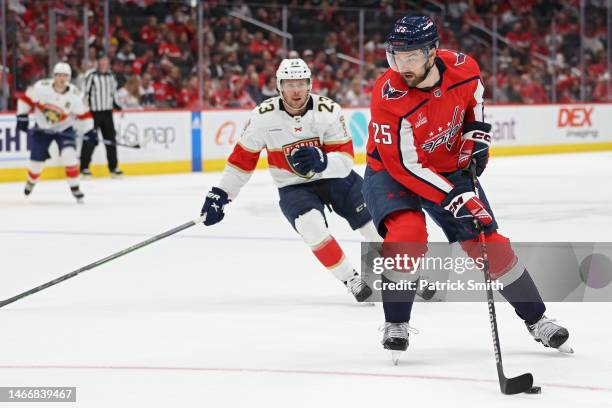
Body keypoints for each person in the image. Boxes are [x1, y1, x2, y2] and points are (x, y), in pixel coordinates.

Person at [362, 16, 572, 360]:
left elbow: (475, 106)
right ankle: (396, 322)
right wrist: (455, 197)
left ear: (432, 52)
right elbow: (404, 165)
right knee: (407, 236)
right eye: (396, 56)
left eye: (411, 56)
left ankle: (538, 319)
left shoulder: (465, 68)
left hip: (448, 167)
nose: (402, 65)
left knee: (491, 245)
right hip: (391, 172)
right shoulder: (389, 95)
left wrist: (476, 138)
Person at [200, 58, 380, 301]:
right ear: (279, 86)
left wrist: (323, 161)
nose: (296, 89)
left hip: (337, 179)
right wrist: (220, 195)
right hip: (293, 186)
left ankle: (407, 272)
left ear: (309, 85)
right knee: (311, 227)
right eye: (289, 84)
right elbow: (241, 163)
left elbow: (346, 159)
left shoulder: (328, 111)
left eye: (301, 83)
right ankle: (352, 279)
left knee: (373, 226)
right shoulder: (262, 118)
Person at [16, 62, 95, 203]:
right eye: (59, 75)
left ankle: (75, 187)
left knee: (69, 156)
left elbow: (84, 115)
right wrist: (22, 116)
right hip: (42, 128)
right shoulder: (41, 87)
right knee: (36, 164)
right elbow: (26, 99)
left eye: (65, 75)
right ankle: (31, 181)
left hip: (64, 129)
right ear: (54, 76)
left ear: (69, 78)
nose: (62, 78)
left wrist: (89, 131)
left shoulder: (75, 95)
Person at [80, 53, 124, 178]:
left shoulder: (111, 76)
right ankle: (84, 168)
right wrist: (84, 109)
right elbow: (85, 93)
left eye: (106, 61)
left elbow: (114, 93)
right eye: (102, 61)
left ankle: (113, 167)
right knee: (90, 139)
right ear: (98, 62)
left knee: (110, 140)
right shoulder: (91, 75)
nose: (104, 63)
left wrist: (118, 105)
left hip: (107, 112)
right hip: (94, 113)